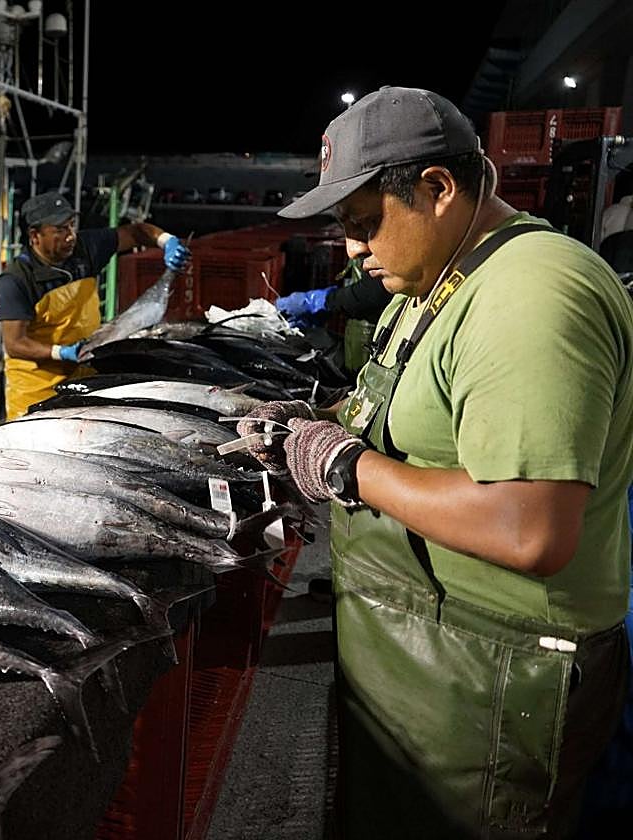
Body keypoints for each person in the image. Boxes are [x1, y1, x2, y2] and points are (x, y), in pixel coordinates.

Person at [239, 86, 633, 838]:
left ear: (438, 189)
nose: (353, 248)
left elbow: (531, 530)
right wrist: (314, 424)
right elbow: (417, 429)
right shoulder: (433, 283)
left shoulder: (530, 295)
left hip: (494, 675)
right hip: (424, 663)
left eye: (363, 224)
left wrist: (347, 467)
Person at [0, 192, 191, 418]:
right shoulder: (15, 280)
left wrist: (166, 241)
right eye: (59, 230)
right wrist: (62, 353)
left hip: (86, 375)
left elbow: (136, 232)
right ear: (34, 235)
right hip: (37, 391)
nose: (70, 236)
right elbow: (15, 344)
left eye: (71, 225)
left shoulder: (84, 249)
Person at [274, 256, 393, 373]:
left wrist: (324, 301)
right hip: (357, 336)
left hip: (375, 337)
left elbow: (371, 293)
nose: (353, 251)